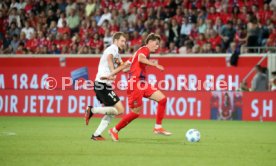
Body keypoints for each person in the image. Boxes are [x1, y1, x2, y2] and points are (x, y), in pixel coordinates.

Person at [105, 33, 172, 141]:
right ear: (149, 42)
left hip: (142, 84)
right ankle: (114, 130)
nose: (157, 46)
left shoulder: (137, 53)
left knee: (162, 99)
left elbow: (125, 67)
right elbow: (141, 59)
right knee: (135, 112)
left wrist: (112, 73)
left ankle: (158, 127)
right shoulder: (144, 50)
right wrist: (154, 65)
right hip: (135, 84)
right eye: (156, 43)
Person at [85, 32, 130, 141]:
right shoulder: (112, 49)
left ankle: (96, 135)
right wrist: (112, 72)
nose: (124, 43)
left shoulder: (118, 54)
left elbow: (124, 69)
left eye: (125, 41)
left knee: (112, 113)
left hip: (104, 85)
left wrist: (134, 65)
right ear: (115, 40)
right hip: (102, 84)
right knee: (120, 110)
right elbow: (109, 58)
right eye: (122, 41)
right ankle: (92, 110)